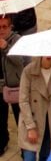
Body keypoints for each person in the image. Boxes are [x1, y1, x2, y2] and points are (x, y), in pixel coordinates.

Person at [18, 56, 51, 161]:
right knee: (29, 157)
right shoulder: (29, 70)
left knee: (45, 157)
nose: (49, 54)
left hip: (50, 123)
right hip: (31, 121)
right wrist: (30, 127)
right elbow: (23, 101)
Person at [0, 15, 24, 155]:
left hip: (15, 86)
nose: (2, 30)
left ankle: (24, 147)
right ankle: (2, 143)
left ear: (10, 27)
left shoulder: (17, 40)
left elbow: (19, 61)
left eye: (5, 26)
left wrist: (6, 48)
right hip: (0, 85)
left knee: (20, 117)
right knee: (1, 118)